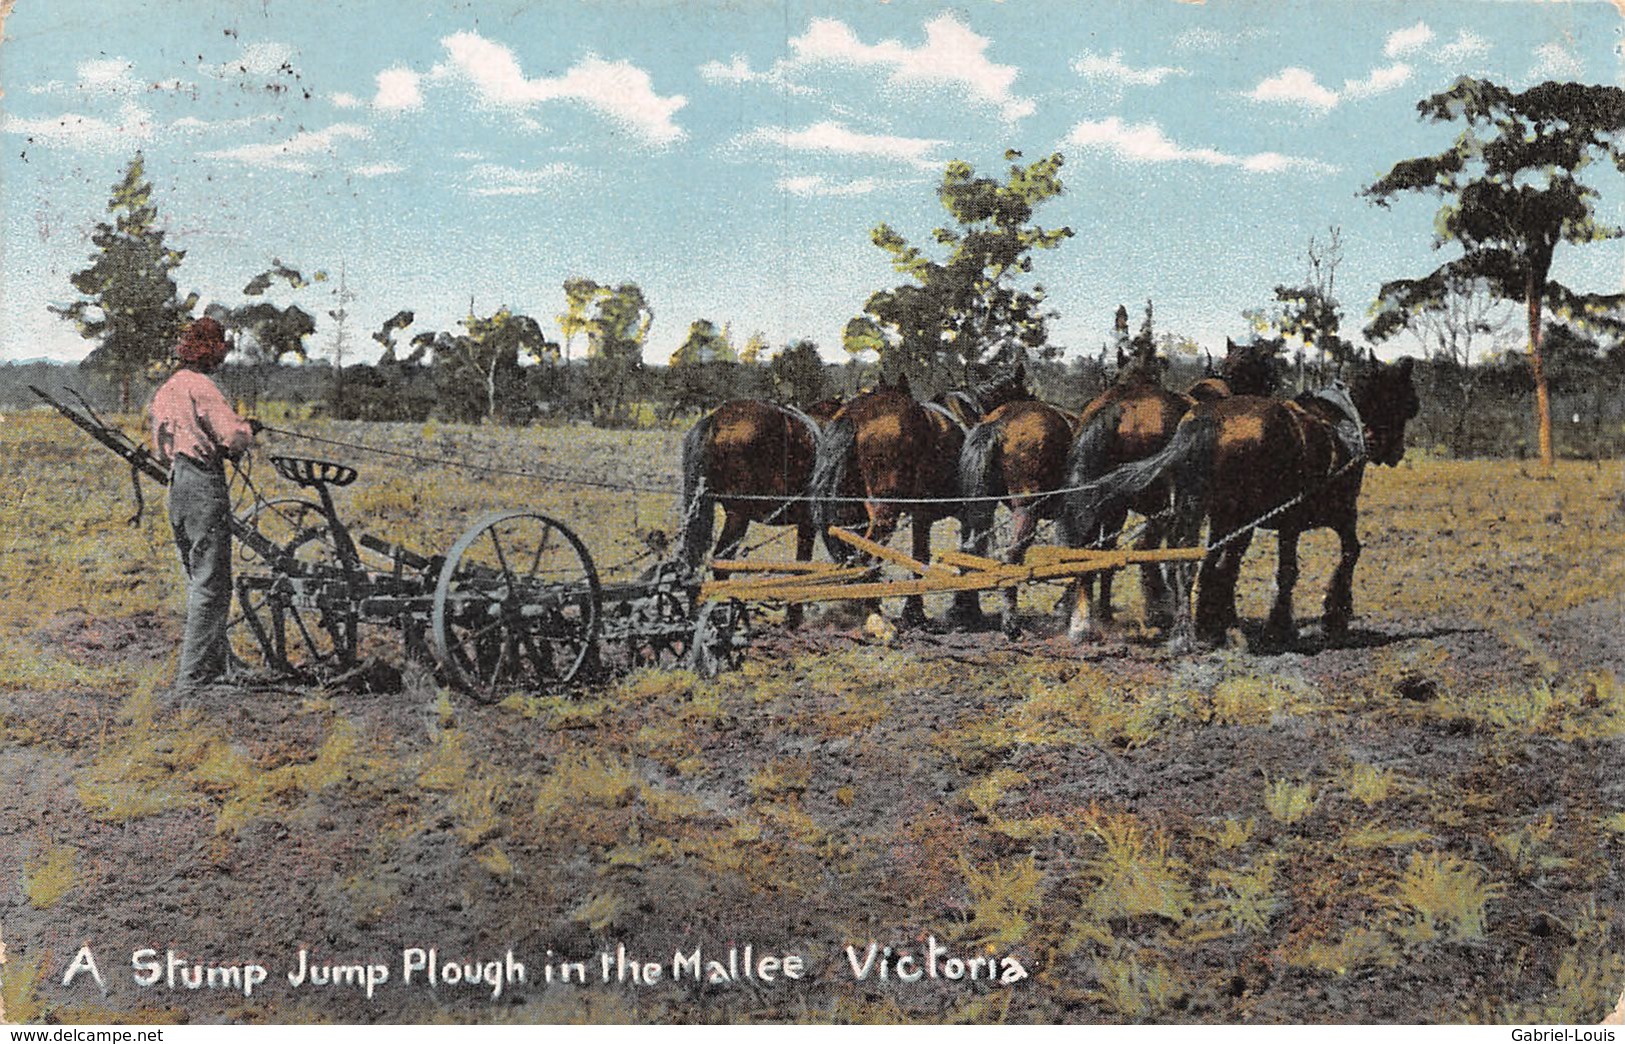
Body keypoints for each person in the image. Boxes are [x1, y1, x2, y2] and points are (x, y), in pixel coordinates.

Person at [149, 317, 260, 693]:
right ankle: (193, 681)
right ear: (210, 351)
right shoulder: (203, 387)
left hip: (177, 484)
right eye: (220, 349)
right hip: (203, 484)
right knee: (212, 585)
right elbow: (231, 437)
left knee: (199, 579)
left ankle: (219, 664)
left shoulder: (167, 389)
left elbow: (160, 446)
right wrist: (248, 431)